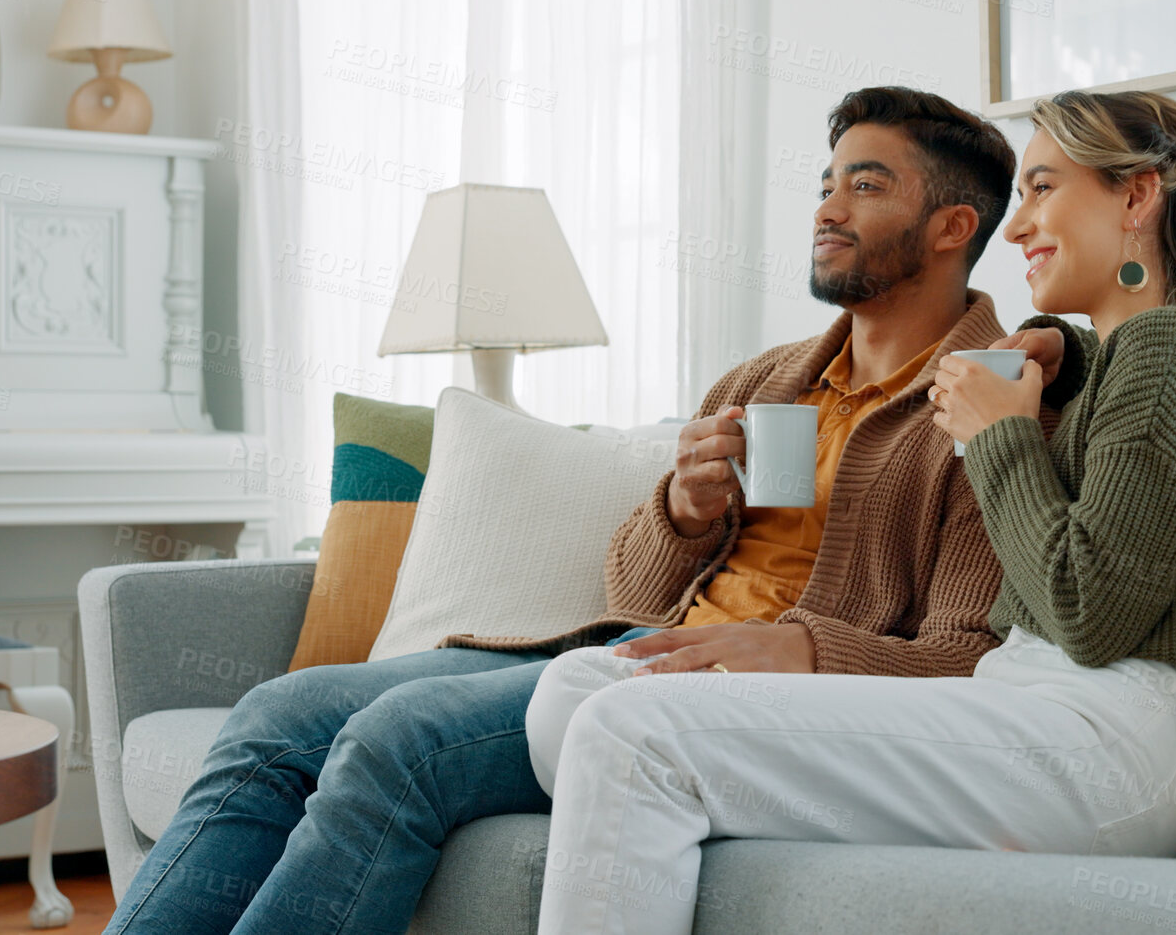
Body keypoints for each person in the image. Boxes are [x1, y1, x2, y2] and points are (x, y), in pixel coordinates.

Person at [103, 85, 1055, 935]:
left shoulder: (988, 401)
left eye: (866, 185)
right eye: (826, 181)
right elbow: (632, 585)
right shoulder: (768, 379)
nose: (826, 207)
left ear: (949, 226)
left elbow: (967, 655)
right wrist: (683, 509)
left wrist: (803, 645)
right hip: (623, 646)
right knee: (276, 711)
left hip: (731, 701)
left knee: (400, 742)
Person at [524, 88, 1176, 935]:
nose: (1014, 229)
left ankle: (697, 778)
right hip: (1040, 709)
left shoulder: (1172, 347)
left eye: (1042, 189)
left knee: (628, 732)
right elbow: (1128, 433)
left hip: (1114, 739)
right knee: (579, 693)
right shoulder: (1133, 354)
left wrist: (999, 438)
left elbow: (1089, 615)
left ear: (1135, 197)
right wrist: (1067, 345)